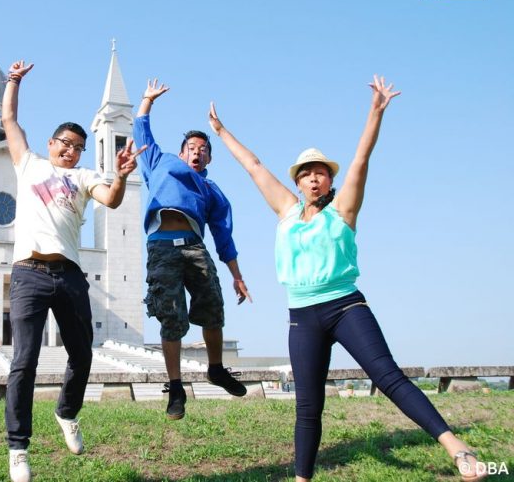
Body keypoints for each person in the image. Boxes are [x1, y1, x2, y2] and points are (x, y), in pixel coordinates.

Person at [208, 75, 487, 481]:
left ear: (330, 181)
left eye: (320, 173)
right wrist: (221, 131)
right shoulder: (286, 211)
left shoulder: (344, 211)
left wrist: (375, 113)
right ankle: (302, 478)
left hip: (345, 306)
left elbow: (361, 158)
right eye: (306, 174)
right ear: (298, 182)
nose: (314, 178)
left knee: (387, 376)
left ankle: (456, 447)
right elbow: (254, 166)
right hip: (302, 316)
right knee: (307, 406)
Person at [2, 60, 146, 482]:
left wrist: (118, 175)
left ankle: (67, 413)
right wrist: (13, 82)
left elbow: (113, 199)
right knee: (23, 361)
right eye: (65, 143)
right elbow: (8, 118)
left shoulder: (84, 177)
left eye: (77, 146)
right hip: (29, 272)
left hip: (68, 276)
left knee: (82, 354)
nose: (70, 150)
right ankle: (18, 448)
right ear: (51, 143)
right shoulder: (28, 163)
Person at [133, 79, 252, 421]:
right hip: (161, 249)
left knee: (213, 309)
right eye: (192, 146)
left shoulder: (212, 190)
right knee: (171, 317)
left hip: (195, 248)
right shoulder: (160, 161)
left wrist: (237, 276)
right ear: (182, 151)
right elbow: (142, 132)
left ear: (209, 157)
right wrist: (147, 101)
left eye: (203, 148)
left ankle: (216, 368)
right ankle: (176, 388)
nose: (197, 151)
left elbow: (224, 235)